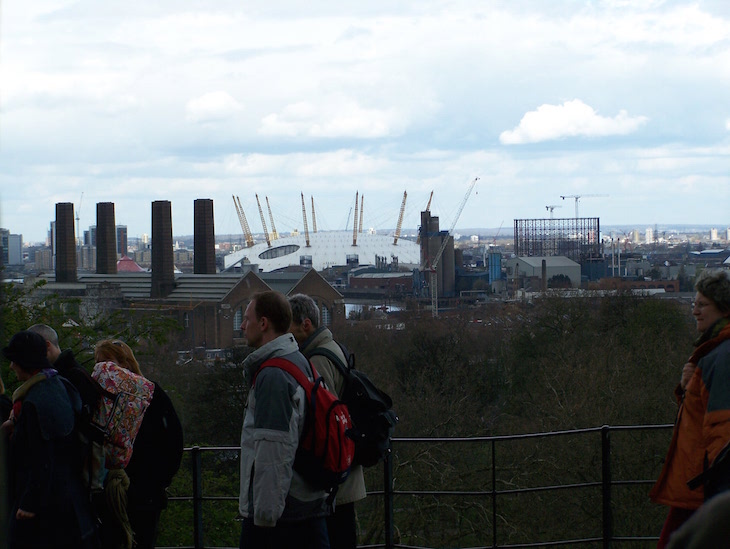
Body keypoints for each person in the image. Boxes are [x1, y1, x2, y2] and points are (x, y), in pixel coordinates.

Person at [238, 291, 331, 549]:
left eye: (247, 319)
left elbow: (273, 453)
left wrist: (263, 521)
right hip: (309, 503)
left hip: (284, 516)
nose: (243, 326)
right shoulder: (298, 360)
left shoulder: (273, 376)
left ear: (264, 323)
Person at [649, 269, 730, 548]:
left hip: (705, 486)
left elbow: (723, 428)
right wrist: (687, 386)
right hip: (702, 483)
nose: (694, 311)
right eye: (693, 303)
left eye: (702, 304)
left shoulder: (723, 353)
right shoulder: (714, 350)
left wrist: (719, 493)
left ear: (724, 308)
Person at [2, 330, 99, 549]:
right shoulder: (61, 385)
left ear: (24, 361)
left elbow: (42, 459)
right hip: (73, 503)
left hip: (46, 510)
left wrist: (28, 504)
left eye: (14, 361)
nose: (11, 366)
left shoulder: (34, 402)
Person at [289, 293, 367, 549]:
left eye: (289, 327)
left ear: (306, 325)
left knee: (337, 538)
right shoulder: (333, 348)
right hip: (345, 469)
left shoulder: (317, 360)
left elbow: (325, 421)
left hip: (334, 481)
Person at [94, 339, 183, 549]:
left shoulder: (151, 395)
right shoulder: (148, 395)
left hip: (141, 493)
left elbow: (173, 441)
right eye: (98, 363)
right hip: (123, 493)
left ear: (124, 365)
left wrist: (155, 483)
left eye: (106, 362)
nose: (101, 369)